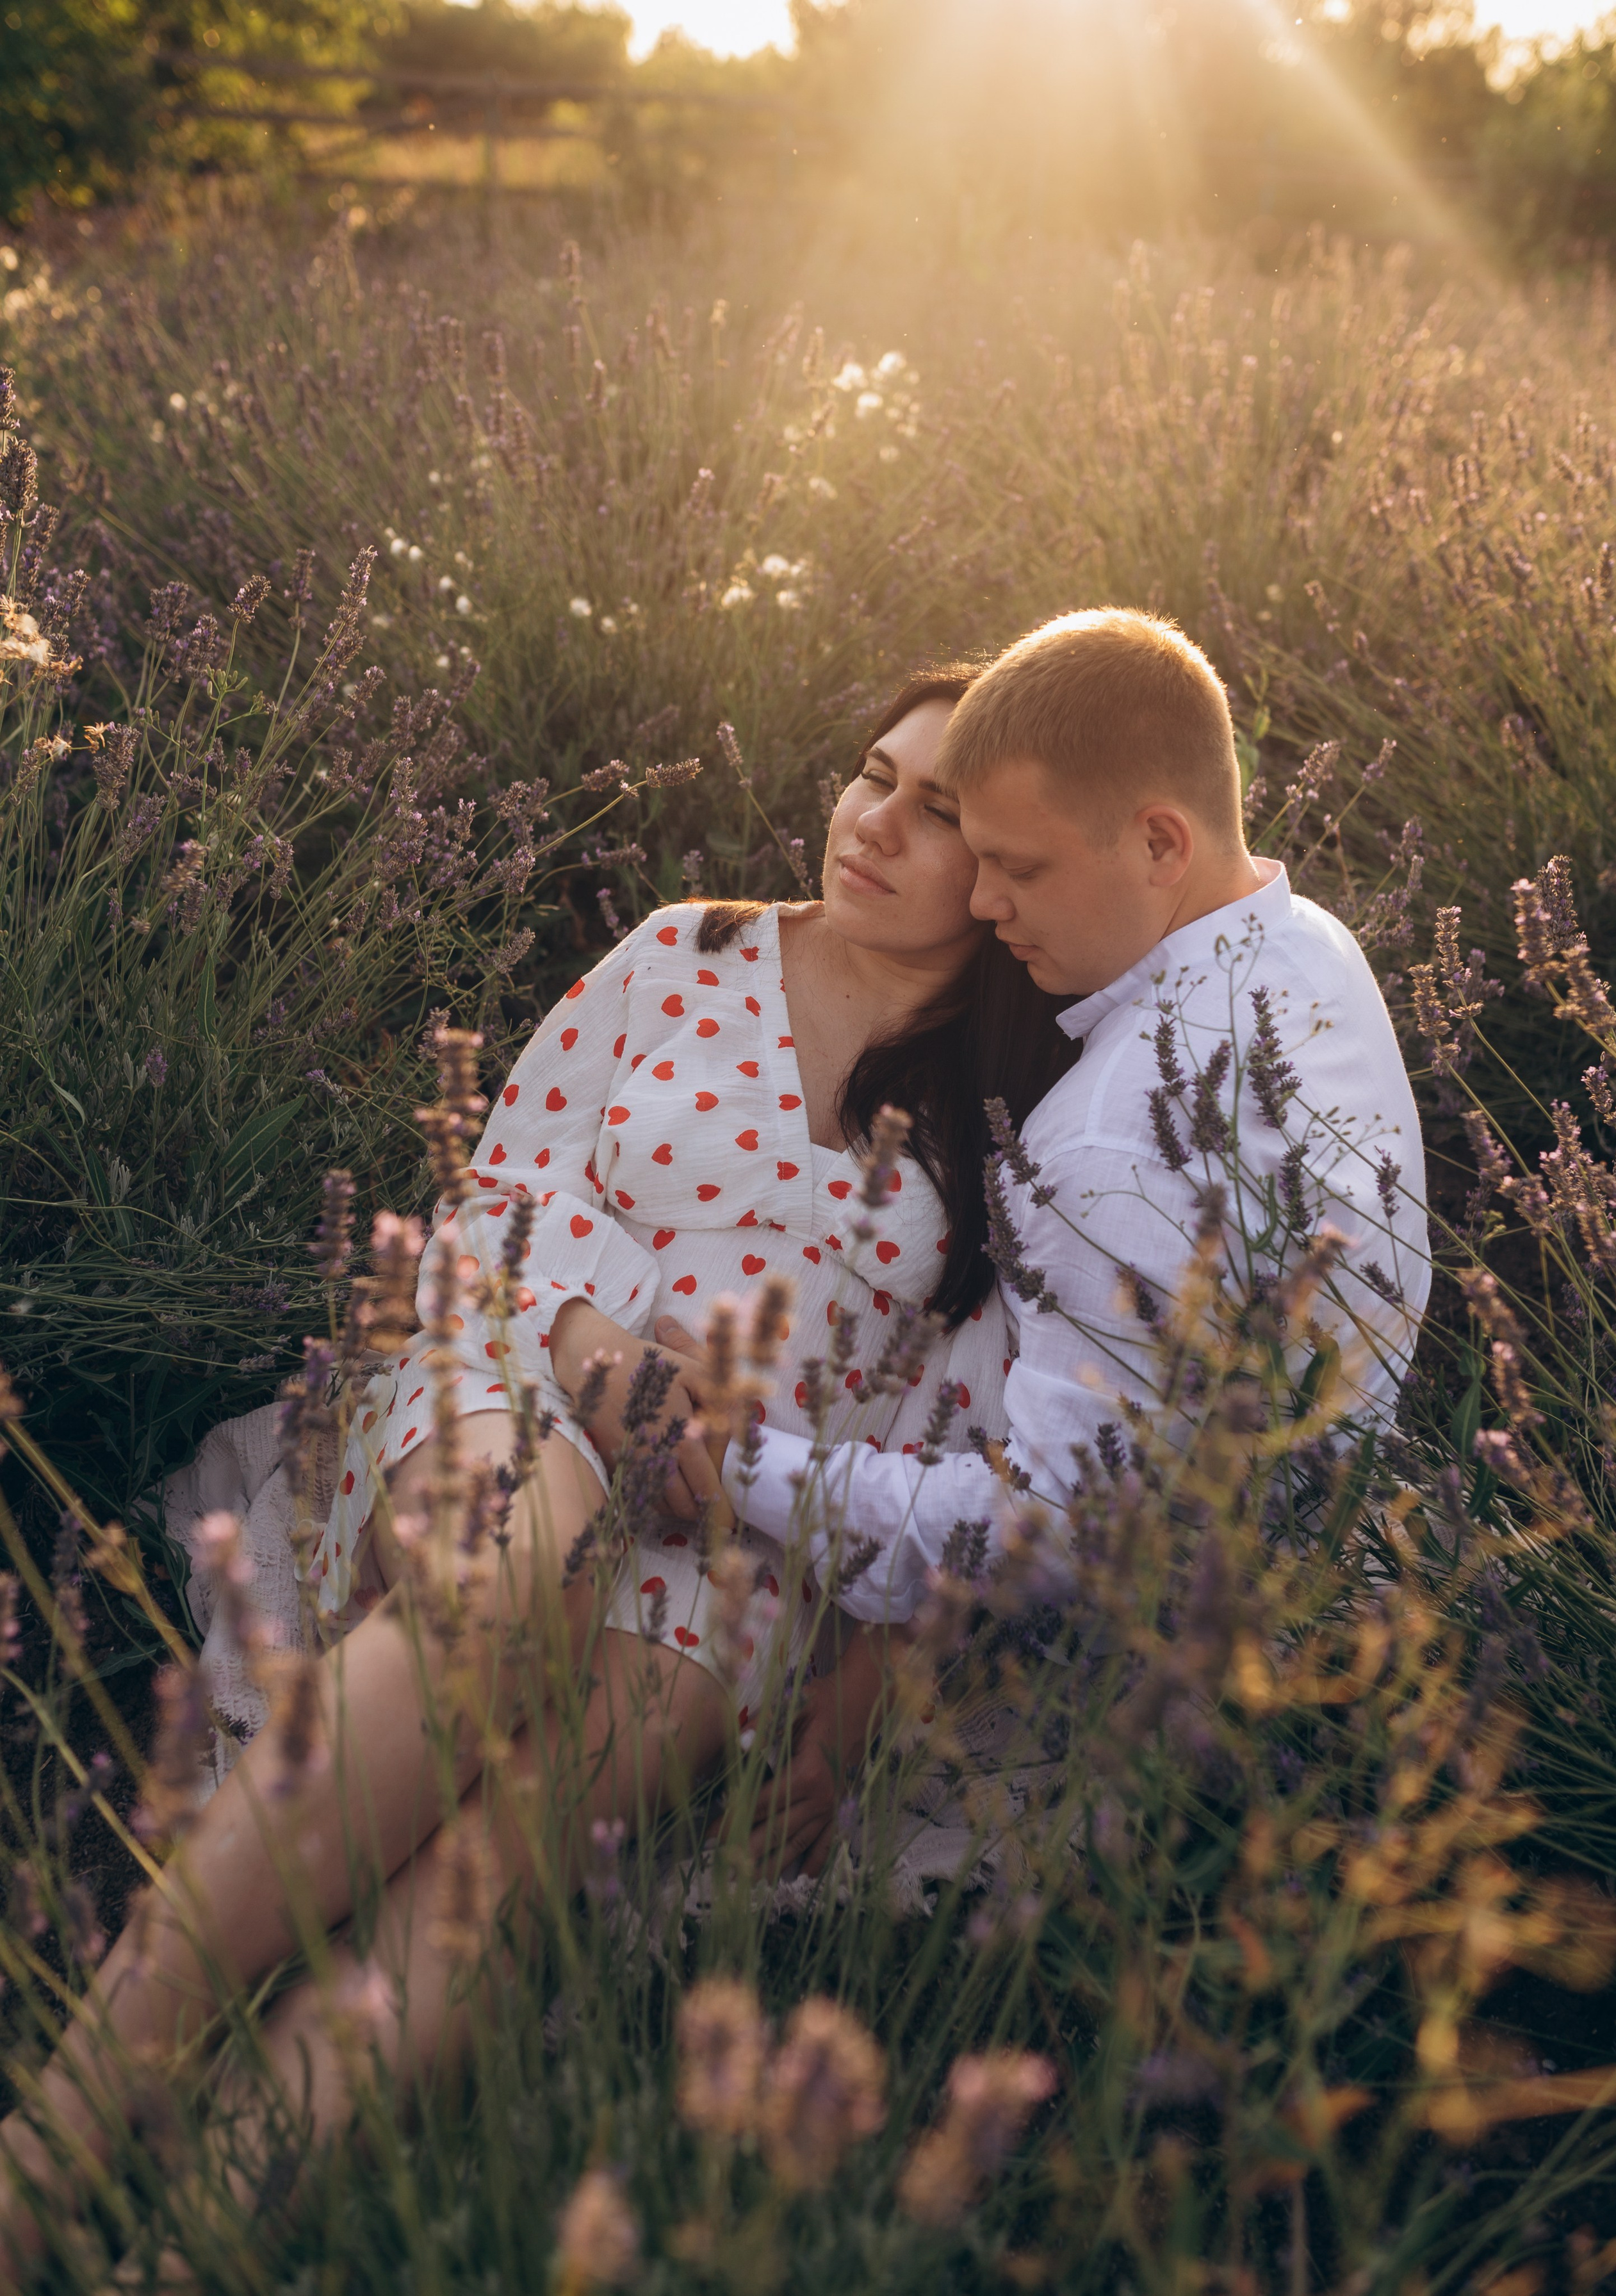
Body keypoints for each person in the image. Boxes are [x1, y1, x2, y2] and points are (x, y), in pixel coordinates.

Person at [0, 671, 1074, 2267]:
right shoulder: (683, 949)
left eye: (937, 816)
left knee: (520, 1844)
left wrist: (845, 1698)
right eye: (871, 776)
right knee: (497, 1582)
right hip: (522, 1352)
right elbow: (503, 1182)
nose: (873, 825)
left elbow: (951, 1409)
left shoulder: (1008, 1107)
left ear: (1001, 877)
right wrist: (598, 1364)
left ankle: (197, 2234)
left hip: (760, 1505)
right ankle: (48, 2152)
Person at [696, 608, 1432, 1620]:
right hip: (1338, 1571)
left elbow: (1039, 1545)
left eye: (1022, 868)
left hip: (1175, 1683)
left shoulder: (1105, 1144)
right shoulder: (1309, 943)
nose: (986, 906)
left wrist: (732, 1459)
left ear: (1160, 841)